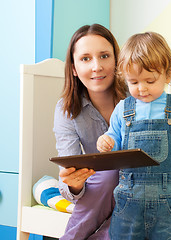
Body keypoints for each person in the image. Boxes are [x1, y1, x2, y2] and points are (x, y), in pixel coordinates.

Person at [97, 32, 171, 240]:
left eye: (150, 81)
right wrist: (106, 141)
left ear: (167, 75)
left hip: (170, 204)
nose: (142, 88)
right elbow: (115, 140)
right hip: (129, 202)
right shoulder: (122, 109)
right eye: (133, 82)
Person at [53, 24, 128, 240]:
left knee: (117, 177)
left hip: (144, 185)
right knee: (107, 176)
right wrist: (74, 185)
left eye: (104, 56)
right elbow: (67, 176)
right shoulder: (66, 110)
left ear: (117, 61)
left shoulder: (141, 95)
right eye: (86, 58)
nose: (97, 66)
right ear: (74, 68)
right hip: (100, 188)